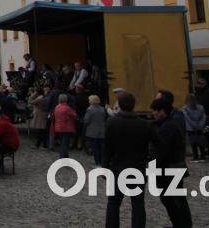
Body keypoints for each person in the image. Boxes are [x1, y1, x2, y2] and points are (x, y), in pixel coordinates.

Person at [103, 92, 159, 228]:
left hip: (118, 168)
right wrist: (151, 164)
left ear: (120, 105)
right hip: (138, 168)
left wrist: (105, 167)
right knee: (138, 203)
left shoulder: (111, 123)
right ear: (134, 104)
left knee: (114, 203)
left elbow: (107, 148)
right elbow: (158, 145)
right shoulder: (145, 124)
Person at [150, 97, 193, 227]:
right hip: (173, 167)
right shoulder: (170, 124)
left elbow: (161, 151)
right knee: (175, 199)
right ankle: (182, 224)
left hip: (169, 169)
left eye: (155, 111)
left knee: (171, 200)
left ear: (163, 111)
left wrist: (151, 167)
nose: (153, 113)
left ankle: (181, 224)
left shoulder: (167, 127)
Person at [83, 95, 107, 166]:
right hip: (102, 130)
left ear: (91, 101)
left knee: (95, 148)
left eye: (89, 100)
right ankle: (102, 162)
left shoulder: (90, 109)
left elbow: (86, 120)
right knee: (101, 147)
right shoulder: (102, 109)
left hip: (93, 131)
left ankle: (98, 163)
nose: (88, 101)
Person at [182, 94, 207, 161]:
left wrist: (194, 125)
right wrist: (200, 125)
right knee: (201, 141)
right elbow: (203, 117)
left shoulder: (185, 108)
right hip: (200, 127)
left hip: (191, 128)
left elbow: (187, 118)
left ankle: (195, 157)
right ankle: (203, 155)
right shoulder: (201, 107)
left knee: (193, 142)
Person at [53, 93, 77, 158]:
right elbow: (74, 116)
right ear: (66, 99)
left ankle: (63, 155)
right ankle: (64, 156)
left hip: (59, 127)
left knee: (62, 142)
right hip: (67, 127)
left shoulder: (57, 107)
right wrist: (74, 111)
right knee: (65, 143)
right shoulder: (67, 108)